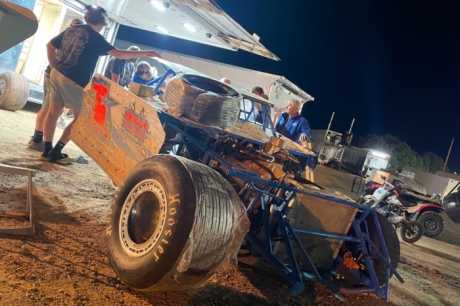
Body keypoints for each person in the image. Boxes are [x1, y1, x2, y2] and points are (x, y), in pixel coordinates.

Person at [40, 5, 161, 164]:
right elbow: (118, 53)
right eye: (104, 26)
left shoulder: (73, 29)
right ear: (101, 23)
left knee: (53, 112)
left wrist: (54, 66)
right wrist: (146, 52)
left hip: (57, 74)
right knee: (82, 118)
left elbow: (50, 45)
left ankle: (47, 150)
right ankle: (57, 151)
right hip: (74, 79)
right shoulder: (95, 37)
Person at [28, 18, 84, 151]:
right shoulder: (70, 39)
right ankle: (37, 140)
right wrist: (54, 69)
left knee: (49, 109)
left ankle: (37, 138)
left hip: (53, 74)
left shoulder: (65, 38)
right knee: (49, 109)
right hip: (55, 74)